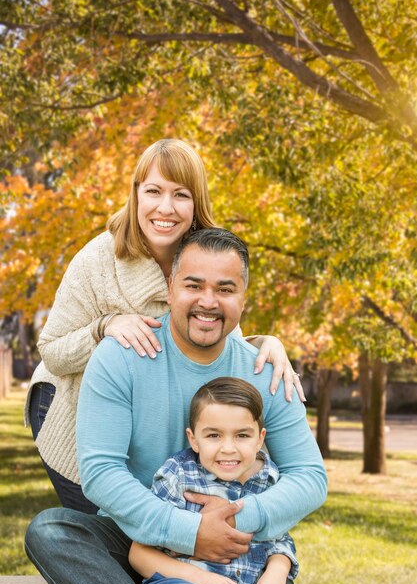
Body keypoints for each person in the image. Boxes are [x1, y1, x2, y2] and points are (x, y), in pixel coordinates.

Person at [25, 228, 328, 584]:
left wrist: (237, 518)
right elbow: (101, 475)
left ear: (243, 298)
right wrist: (190, 530)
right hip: (137, 535)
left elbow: (310, 477)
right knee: (51, 531)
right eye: (193, 285)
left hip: (235, 546)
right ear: (170, 288)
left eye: (225, 289)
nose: (208, 301)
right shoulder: (121, 356)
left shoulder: (264, 370)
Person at [25, 138, 305, 514]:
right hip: (68, 404)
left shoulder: (206, 254)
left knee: (157, 521)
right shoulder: (97, 259)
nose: (165, 208)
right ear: (136, 194)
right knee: (108, 528)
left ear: (196, 203)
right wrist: (103, 326)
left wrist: (264, 342)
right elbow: (53, 351)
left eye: (181, 195)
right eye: (154, 191)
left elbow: (214, 329)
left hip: (145, 413)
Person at [131, 376, 335, 584]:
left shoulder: (268, 479)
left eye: (242, 435)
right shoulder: (179, 475)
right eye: (214, 436)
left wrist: (278, 569)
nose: (228, 448)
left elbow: (279, 537)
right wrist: (199, 579)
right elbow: (139, 553)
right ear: (193, 439)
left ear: (260, 439)